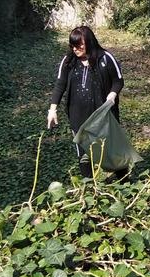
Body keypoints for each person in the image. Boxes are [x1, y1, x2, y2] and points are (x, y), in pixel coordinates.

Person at [48, 26, 126, 179]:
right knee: (84, 155)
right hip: (77, 117)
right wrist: (52, 109)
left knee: (112, 150)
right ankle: (89, 187)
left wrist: (112, 95)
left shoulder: (105, 58)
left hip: (103, 116)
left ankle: (124, 181)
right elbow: (60, 84)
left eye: (79, 45)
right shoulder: (68, 61)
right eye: (72, 46)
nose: (75, 49)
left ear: (89, 42)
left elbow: (118, 81)